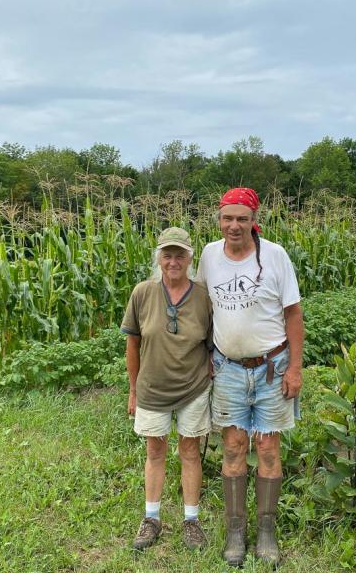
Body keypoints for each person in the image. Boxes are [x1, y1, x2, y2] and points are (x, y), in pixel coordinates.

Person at [196, 188, 304, 567]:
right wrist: (206, 352)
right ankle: (235, 531)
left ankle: (267, 531)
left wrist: (294, 368)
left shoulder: (274, 256)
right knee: (233, 447)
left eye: (242, 218)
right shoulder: (209, 255)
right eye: (228, 218)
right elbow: (203, 306)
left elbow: (293, 314)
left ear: (253, 218)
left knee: (269, 449)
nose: (234, 225)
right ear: (219, 219)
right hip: (227, 368)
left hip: (272, 366)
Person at [121, 227, 213, 552]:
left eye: (180, 255)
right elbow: (133, 344)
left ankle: (191, 521)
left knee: (190, 451)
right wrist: (133, 390)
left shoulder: (203, 297)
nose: (173, 261)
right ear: (158, 258)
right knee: (155, 451)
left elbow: (212, 344)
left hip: (193, 388)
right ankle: (152, 518)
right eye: (167, 255)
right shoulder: (142, 293)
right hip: (152, 388)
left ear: (190, 258)